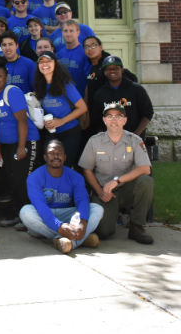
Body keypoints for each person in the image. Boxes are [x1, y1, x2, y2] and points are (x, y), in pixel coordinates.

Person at [79, 103, 155, 244]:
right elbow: (87, 170)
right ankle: (112, 216)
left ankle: (136, 227)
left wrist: (117, 180)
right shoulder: (94, 141)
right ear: (104, 120)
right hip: (104, 193)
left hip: (127, 189)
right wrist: (100, 191)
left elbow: (145, 169)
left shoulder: (134, 140)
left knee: (146, 181)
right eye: (110, 116)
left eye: (118, 116)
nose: (114, 120)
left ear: (124, 120)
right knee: (103, 232)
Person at [19, 139, 103, 253]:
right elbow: (41, 207)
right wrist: (59, 226)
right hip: (44, 217)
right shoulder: (34, 177)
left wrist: (82, 223)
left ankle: (69, 241)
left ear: (64, 157)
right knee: (25, 211)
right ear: (45, 157)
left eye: (59, 153)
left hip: (67, 215)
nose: (56, 156)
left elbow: (82, 200)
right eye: (51, 153)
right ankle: (77, 239)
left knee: (97, 208)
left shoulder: (75, 176)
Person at [0, 59, 40, 229]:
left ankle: (30, 219)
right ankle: (18, 215)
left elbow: (22, 121)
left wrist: (21, 146)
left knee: (23, 180)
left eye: (0, 76)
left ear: (6, 77)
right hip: (6, 145)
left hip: (24, 141)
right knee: (11, 180)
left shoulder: (12, 92)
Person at [34, 51, 88, 168]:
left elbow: (82, 108)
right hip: (51, 133)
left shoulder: (65, 84)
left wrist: (61, 121)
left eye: (48, 61)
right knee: (50, 166)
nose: (45, 64)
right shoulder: (39, 86)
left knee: (66, 166)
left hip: (70, 131)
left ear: (55, 64)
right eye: (41, 62)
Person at [88, 56, 154, 137]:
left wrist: (135, 136)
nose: (112, 71)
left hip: (134, 140)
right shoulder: (100, 94)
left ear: (122, 70)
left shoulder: (136, 89)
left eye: (116, 68)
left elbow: (148, 113)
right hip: (110, 142)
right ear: (104, 71)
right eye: (108, 68)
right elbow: (96, 120)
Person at [83, 35, 138, 106]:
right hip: (95, 111)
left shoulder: (109, 64)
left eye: (93, 45)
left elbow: (132, 79)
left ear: (101, 47)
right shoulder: (92, 66)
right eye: (86, 47)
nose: (90, 49)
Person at [55, 19, 91, 95]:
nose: (68, 34)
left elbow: (89, 80)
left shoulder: (86, 53)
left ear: (78, 32)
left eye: (71, 31)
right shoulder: (59, 54)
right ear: (62, 33)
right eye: (65, 31)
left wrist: (86, 99)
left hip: (81, 96)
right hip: (64, 97)